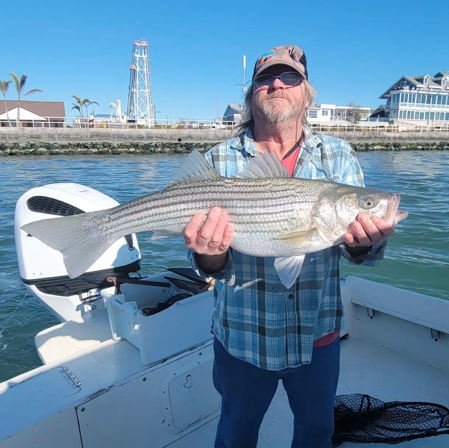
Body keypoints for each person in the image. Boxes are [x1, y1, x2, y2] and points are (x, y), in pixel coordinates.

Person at [184, 45, 396, 448]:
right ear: (252, 95)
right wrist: (208, 253)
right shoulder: (218, 159)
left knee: (316, 433)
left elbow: (356, 252)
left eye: (290, 77)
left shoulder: (337, 155)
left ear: (306, 93)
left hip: (317, 336)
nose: (277, 84)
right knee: (234, 434)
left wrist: (364, 244)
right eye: (265, 78)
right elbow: (205, 265)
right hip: (242, 339)